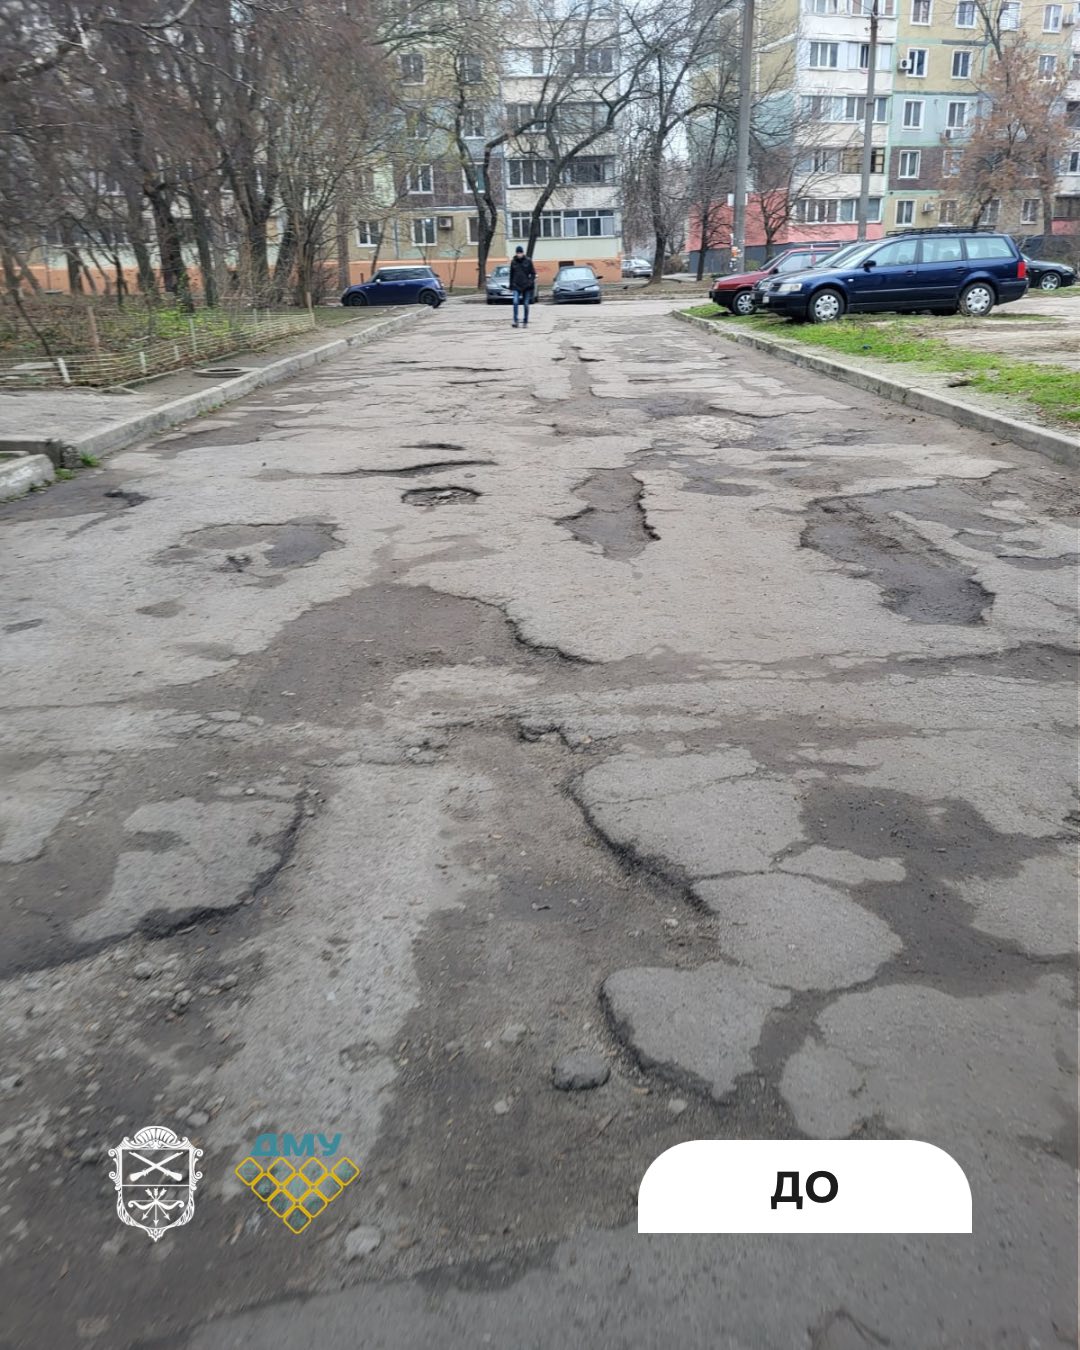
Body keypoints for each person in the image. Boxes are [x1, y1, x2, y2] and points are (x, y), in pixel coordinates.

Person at [508, 246, 536, 329]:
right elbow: (511, 274)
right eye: (518, 253)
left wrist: (530, 282)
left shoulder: (528, 261)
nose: (519, 254)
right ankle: (515, 321)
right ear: (516, 253)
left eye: (520, 253)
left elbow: (533, 273)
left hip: (526, 286)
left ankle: (525, 321)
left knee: (526, 304)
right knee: (515, 302)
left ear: (523, 253)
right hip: (516, 285)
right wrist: (511, 286)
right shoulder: (513, 262)